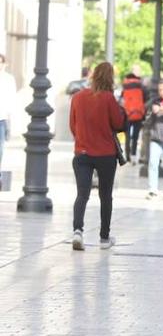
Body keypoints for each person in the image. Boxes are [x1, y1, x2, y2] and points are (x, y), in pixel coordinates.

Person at [68, 62, 125, 251]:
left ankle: (77, 231)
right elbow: (118, 123)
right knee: (105, 195)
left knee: (82, 194)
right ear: (110, 78)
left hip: (82, 153)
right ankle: (104, 238)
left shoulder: (77, 97)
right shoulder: (108, 98)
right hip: (105, 154)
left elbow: (72, 125)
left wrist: (83, 141)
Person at [121, 70, 147, 163]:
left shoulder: (125, 87)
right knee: (135, 137)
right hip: (139, 114)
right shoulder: (141, 87)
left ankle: (127, 156)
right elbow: (145, 100)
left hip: (127, 115)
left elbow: (122, 100)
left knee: (127, 136)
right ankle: (133, 155)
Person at [0, 53, 15, 167]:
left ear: (5, 64)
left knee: (0, 149)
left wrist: (10, 122)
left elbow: (11, 100)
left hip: (2, 119)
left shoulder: (9, 79)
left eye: (1, 63)